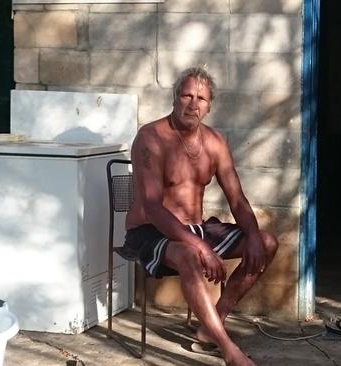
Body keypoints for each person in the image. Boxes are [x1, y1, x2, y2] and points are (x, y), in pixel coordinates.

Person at [120, 67, 278, 366]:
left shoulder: (215, 142)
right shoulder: (150, 138)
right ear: (175, 98)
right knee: (191, 255)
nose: (193, 104)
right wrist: (201, 247)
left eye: (201, 98)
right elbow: (153, 208)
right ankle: (229, 351)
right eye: (187, 95)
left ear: (209, 105)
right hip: (149, 230)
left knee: (267, 243)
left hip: (196, 229)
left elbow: (237, 199)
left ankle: (212, 324)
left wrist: (254, 235)